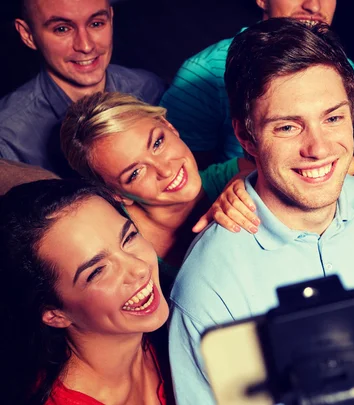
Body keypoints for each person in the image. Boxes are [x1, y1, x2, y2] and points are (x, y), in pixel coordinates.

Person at [168, 19, 354, 405]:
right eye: (287, 127)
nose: (318, 147)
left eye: (333, 118)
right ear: (246, 136)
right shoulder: (210, 287)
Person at [0, 179, 173, 405]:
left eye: (129, 237)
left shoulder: (171, 329)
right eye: (97, 271)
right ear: (55, 315)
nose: (140, 269)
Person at [60, 91, 256, 283]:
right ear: (117, 194)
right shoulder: (116, 248)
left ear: (169, 126)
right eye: (135, 173)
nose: (165, 170)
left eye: (157, 143)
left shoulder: (237, 173)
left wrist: (249, 182)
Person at [159, 0, 354, 167]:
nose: (313, 5)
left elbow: (350, 159)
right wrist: (241, 183)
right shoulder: (201, 74)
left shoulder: (347, 69)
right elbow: (184, 184)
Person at [0, 0, 165, 177]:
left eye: (96, 24)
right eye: (62, 29)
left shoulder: (149, 88)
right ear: (28, 34)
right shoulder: (7, 137)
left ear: (111, 18)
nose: (86, 46)